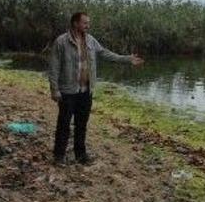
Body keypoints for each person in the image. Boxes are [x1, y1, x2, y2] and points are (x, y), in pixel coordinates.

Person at [48, 12, 143, 165]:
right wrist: (54, 90)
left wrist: (127, 59)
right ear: (75, 23)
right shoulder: (61, 42)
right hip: (67, 91)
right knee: (63, 125)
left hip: (86, 91)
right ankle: (59, 156)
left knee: (82, 125)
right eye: (85, 23)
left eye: (88, 23)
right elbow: (54, 67)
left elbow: (105, 54)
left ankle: (80, 155)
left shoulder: (91, 41)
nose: (88, 26)